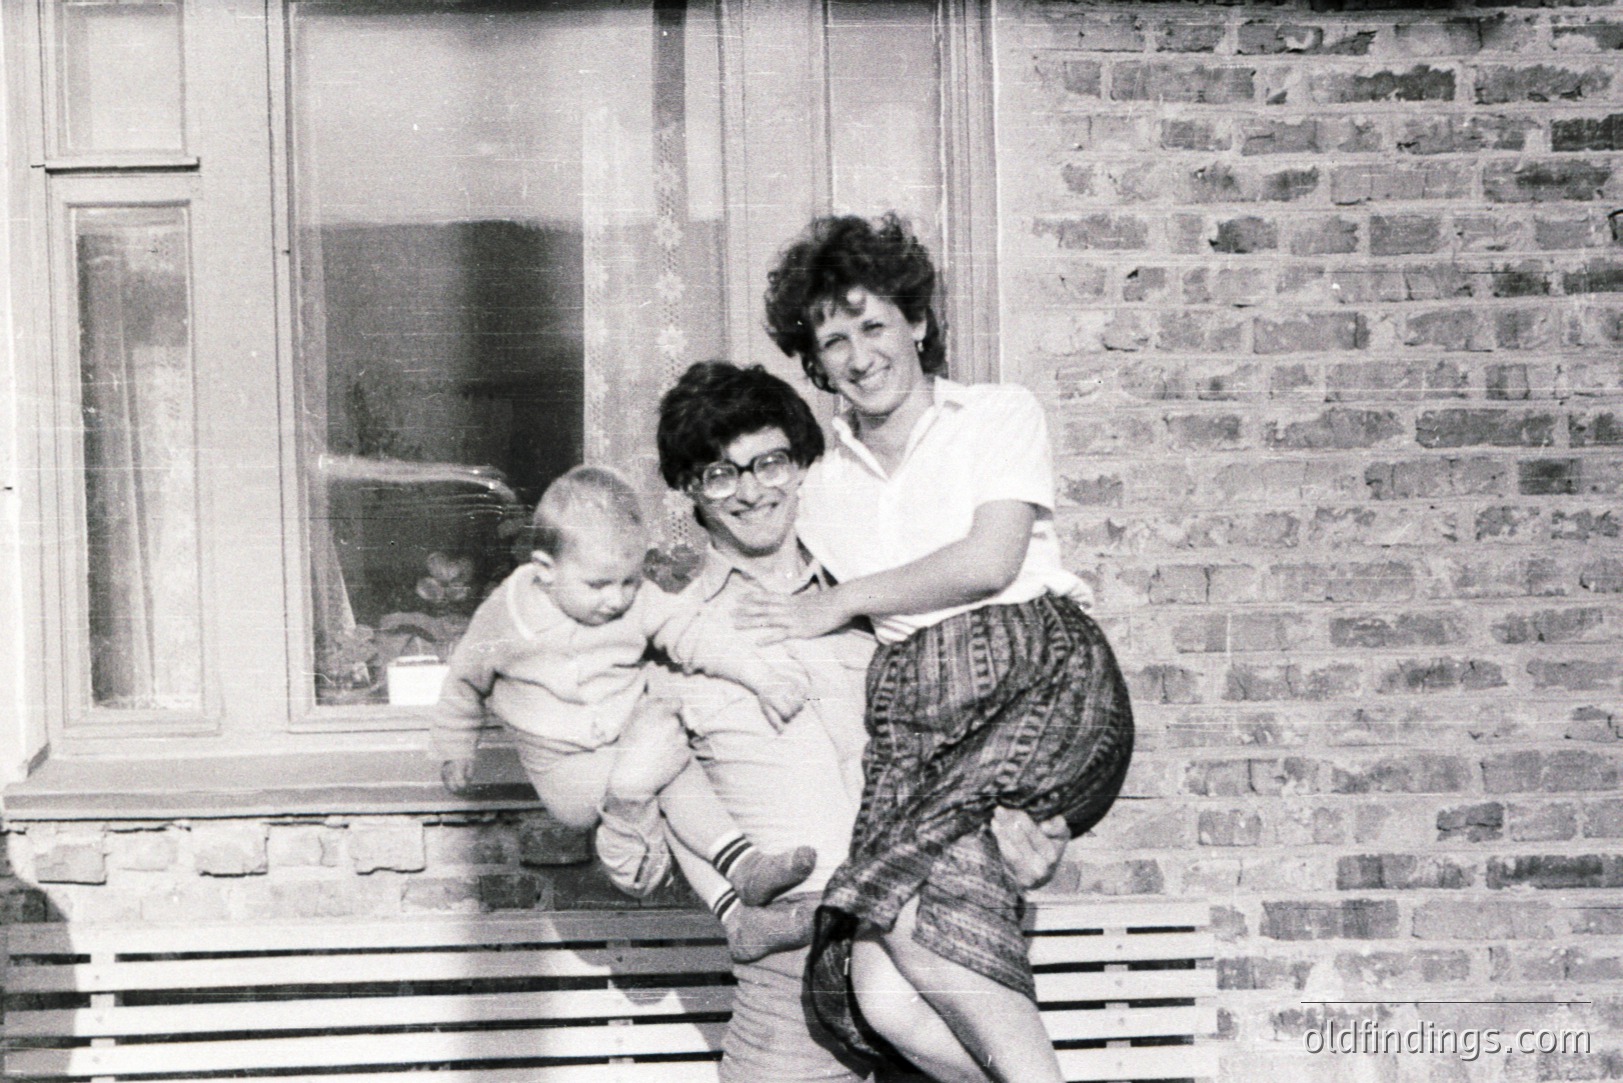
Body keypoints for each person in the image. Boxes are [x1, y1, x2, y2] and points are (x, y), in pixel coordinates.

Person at [735, 212, 1135, 1083]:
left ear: (915, 322)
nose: (857, 354)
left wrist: (839, 601)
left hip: (1034, 679)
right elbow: (747, 555)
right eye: (831, 337)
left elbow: (989, 560)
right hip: (920, 721)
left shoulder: (994, 414)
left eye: (873, 324)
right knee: (880, 993)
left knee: (925, 927)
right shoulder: (822, 486)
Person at [616, 360, 1069, 1083]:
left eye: (768, 462)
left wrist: (1028, 854)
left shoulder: (888, 606)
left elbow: (973, 760)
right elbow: (641, 867)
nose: (751, 490)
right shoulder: (671, 642)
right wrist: (625, 799)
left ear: (799, 465)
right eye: (719, 473)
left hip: (934, 978)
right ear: (690, 490)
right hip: (789, 1010)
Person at [432, 464, 817, 909]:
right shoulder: (506, 614)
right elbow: (463, 681)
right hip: (567, 769)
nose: (616, 599)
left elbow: (696, 634)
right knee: (656, 772)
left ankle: (741, 867)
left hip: (627, 742)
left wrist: (763, 678)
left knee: (673, 758)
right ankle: (653, 860)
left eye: (628, 581)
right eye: (598, 585)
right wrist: (454, 748)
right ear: (545, 570)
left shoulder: (637, 600)